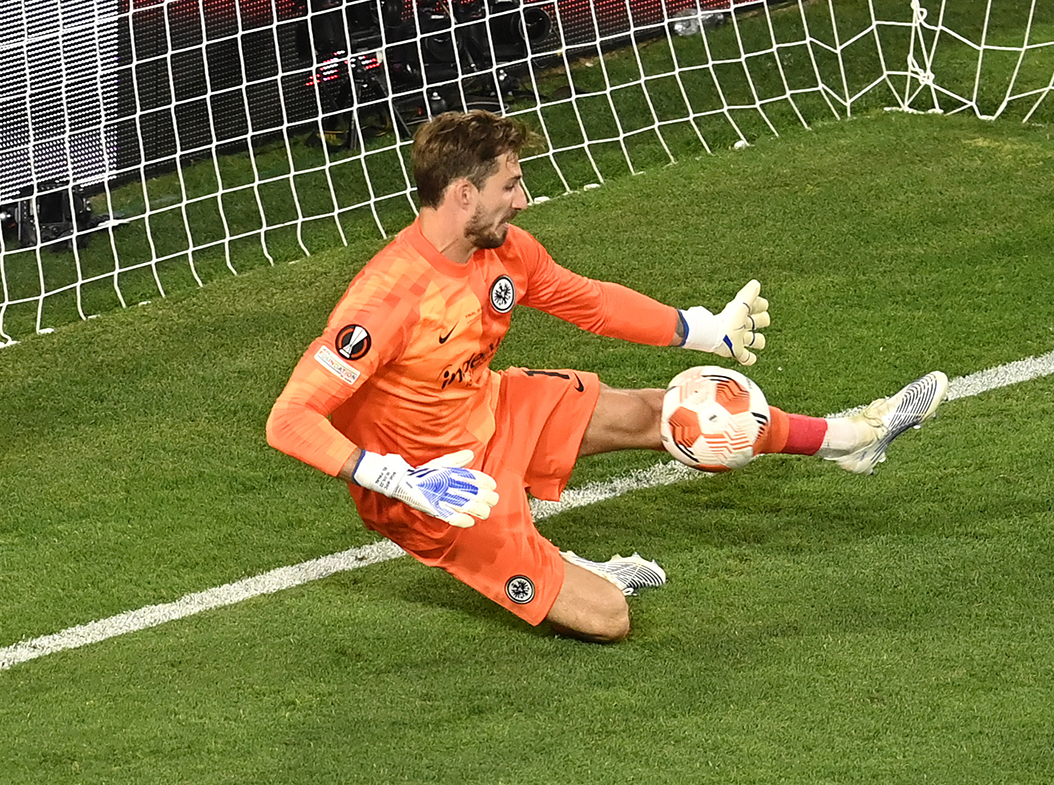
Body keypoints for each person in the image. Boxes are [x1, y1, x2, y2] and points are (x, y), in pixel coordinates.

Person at [267, 110, 948, 643]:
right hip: (438, 490)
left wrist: (701, 327)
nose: (525, 199)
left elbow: (588, 301)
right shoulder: (386, 302)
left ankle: (850, 436)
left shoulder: (504, 251)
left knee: (673, 411)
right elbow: (289, 419)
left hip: (491, 409)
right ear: (464, 192)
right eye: (511, 184)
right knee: (609, 619)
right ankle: (575, 569)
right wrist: (396, 477)